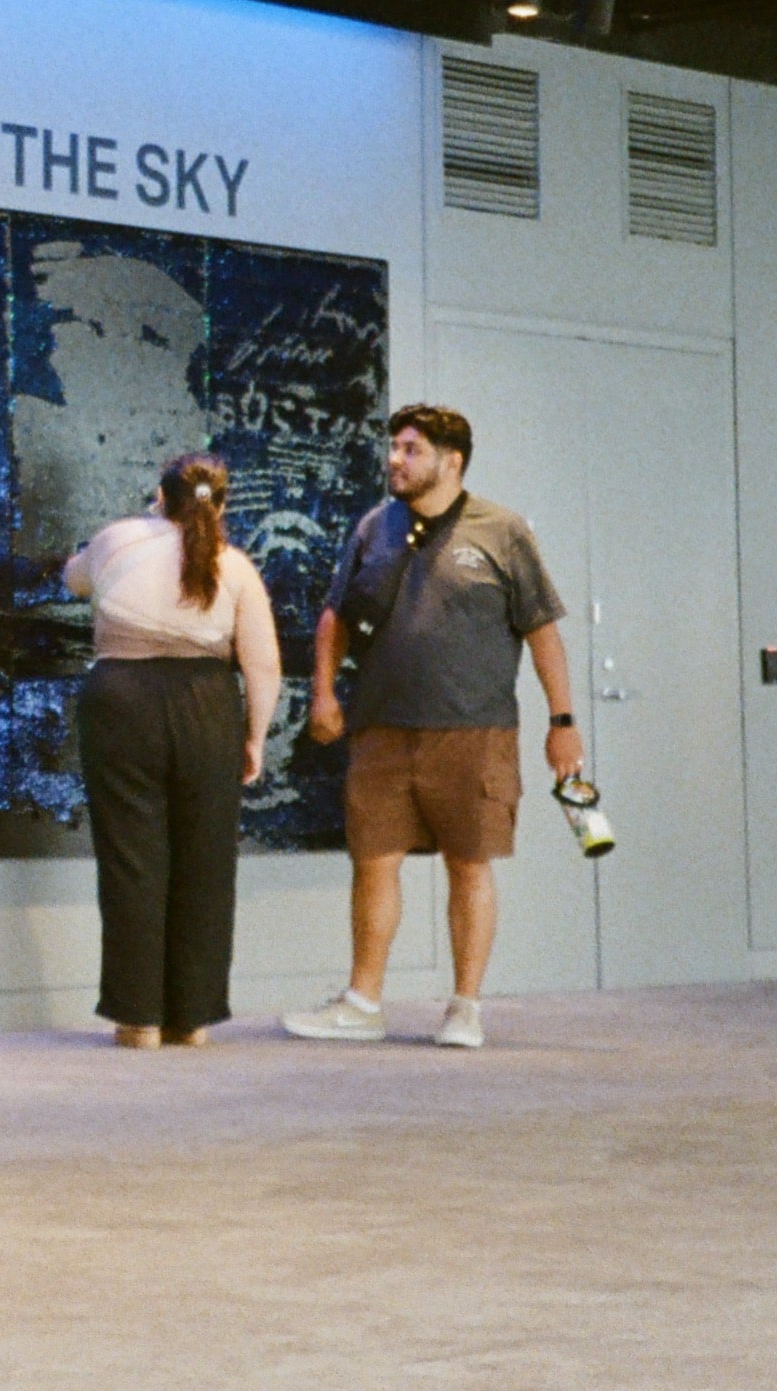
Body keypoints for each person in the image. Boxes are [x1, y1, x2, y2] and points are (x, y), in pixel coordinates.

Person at [283, 403, 580, 1050]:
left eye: (411, 449)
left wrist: (563, 722)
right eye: (394, 447)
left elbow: (542, 633)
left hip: (475, 731)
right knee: (373, 863)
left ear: (452, 461)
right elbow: (335, 616)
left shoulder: (503, 531)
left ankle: (465, 1008)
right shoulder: (375, 526)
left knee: (469, 865)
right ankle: (362, 1003)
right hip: (381, 729)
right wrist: (323, 694)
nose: (395, 459)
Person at [63, 455, 281, 1049]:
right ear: (222, 505)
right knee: (206, 864)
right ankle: (191, 1017)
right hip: (207, 706)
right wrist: (254, 737)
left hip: (121, 701)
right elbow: (263, 664)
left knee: (132, 861)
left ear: (160, 498)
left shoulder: (117, 539)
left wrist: (141, 525)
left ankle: (138, 1018)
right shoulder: (236, 566)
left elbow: (73, 579)